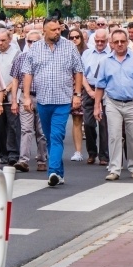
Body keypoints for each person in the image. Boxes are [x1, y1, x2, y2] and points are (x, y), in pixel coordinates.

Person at [22, 16, 84, 186]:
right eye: (54, 30)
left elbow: (78, 71)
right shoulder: (35, 48)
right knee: (49, 137)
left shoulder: (69, 46)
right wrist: (26, 97)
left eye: (59, 29)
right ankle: (60, 174)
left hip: (62, 100)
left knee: (57, 136)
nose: (58, 32)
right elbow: (28, 73)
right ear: (44, 31)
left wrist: (77, 94)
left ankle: (53, 172)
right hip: (43, 100)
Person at [93, 29, 133, 181]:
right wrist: (97, 106)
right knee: (114, 136)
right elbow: (100, 86)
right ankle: (114, 169)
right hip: (113, 103)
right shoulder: (105, 61)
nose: (120, 44)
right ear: (111, 44)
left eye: (122, 41)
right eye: (116, 42)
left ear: (127, 42)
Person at [10, 30, 48, 172]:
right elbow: (15, 80)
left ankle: (42, 159)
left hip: (43, 96)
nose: (32, 44)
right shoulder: (21, 57)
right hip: (25, 96)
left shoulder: (47, 57)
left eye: (35, 41)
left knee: (41, 131)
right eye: (29, 41)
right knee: (26, 129)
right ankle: (23, 160)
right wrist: (14, 100)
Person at [0, 28, 20, 166]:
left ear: (10, 39)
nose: (0, 43)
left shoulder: (16, 54)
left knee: (13, 126)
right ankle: (3, 153)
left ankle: (13, 153)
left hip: (12, 95)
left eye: (3, 40)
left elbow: (17, 76)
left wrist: (6, 89)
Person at [81, 28, 111, 165]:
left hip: (106, 90)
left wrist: (102, 92)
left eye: (102, 41)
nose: (99, 43)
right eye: (97, 40)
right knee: (88, 123)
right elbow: (81, 73)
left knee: (104, 125)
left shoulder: (111, 54)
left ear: (107, 40)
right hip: (89, 89)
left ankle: (104, 156)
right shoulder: (87, 53)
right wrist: (89, 90)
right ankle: (91, 152)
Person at [67, 29, 89, 162]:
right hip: (72, 90)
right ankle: (78, 151)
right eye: (71, 37)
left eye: (77, 37)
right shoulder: (66, 53)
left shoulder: (87, 53)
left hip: (88, 90)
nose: (74, 39)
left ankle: (94, 151)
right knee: (76, 120)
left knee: (90, 123)